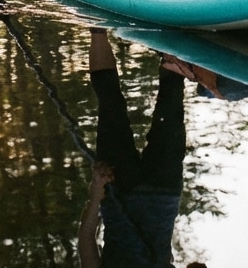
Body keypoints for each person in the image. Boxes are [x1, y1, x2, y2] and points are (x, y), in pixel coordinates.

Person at [78, 28, 210, 268]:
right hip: (163, 195)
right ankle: (169, 21)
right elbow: (196, 267)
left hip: (118, 189)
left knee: (110, 104)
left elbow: (86, 239)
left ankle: (97, 27)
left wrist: (96, 193)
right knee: (171, 94)